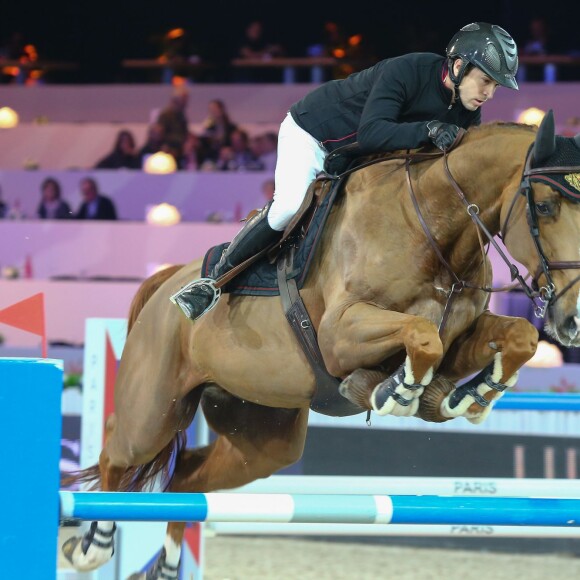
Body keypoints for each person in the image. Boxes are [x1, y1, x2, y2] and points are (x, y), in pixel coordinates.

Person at [172, 22, 519, 321]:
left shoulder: (466, 110)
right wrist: (427, 130)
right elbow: (372, 133)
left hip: (358, 159)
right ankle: (213, 282)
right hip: (313, 136)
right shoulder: (406, 71)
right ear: (458, 66)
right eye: (485, 80)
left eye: (495, 86)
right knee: (290, 206)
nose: (489, 93)